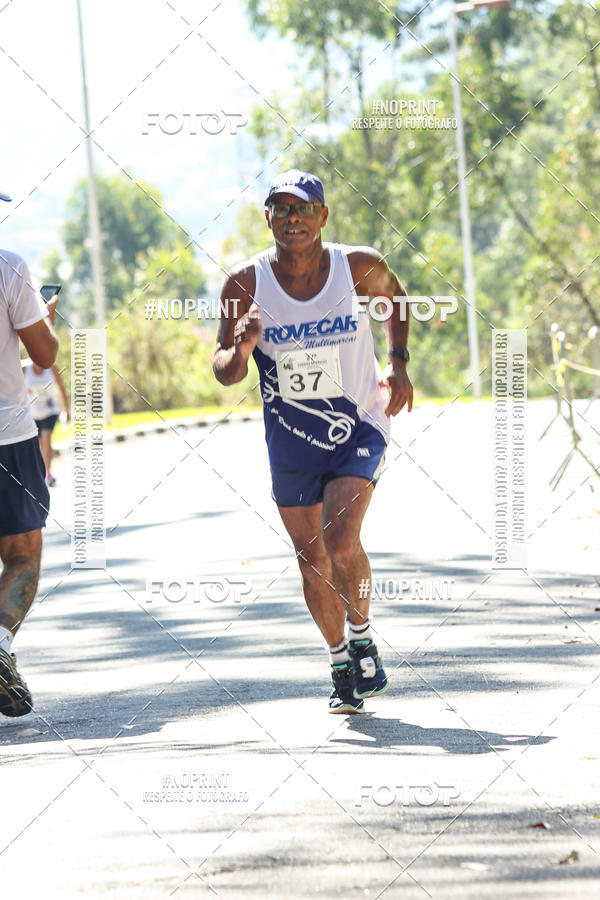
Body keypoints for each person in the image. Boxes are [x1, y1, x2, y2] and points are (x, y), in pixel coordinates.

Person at [213, 169, 413, 714]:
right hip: (292, 438)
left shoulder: (358, 266)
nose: (292, 218)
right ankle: (339, 661)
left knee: (341, 540)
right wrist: (242, 346)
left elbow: (396, 300)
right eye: (281, 208)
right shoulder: (244, 284)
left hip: (360, 422)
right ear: (268, 218)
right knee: (311, 560)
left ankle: (364, 634)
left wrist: (397, 365)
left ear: (323, 215)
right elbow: (224, 369)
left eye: (302, 208)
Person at [0, 190, 60, 717]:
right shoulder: (9, 269)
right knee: (21, 554)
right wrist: (45, 320)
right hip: (8, 437)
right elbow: (43, 356)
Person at [23, 359, 69, 486]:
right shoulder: (25, 369)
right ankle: (41, 472)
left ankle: (48, 473)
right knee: (39, 445)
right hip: (32, 413)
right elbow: (17, 390)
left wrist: (66, 409)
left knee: (46, 438)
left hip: (50, 410)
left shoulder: (52, 368)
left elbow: (61, 387)